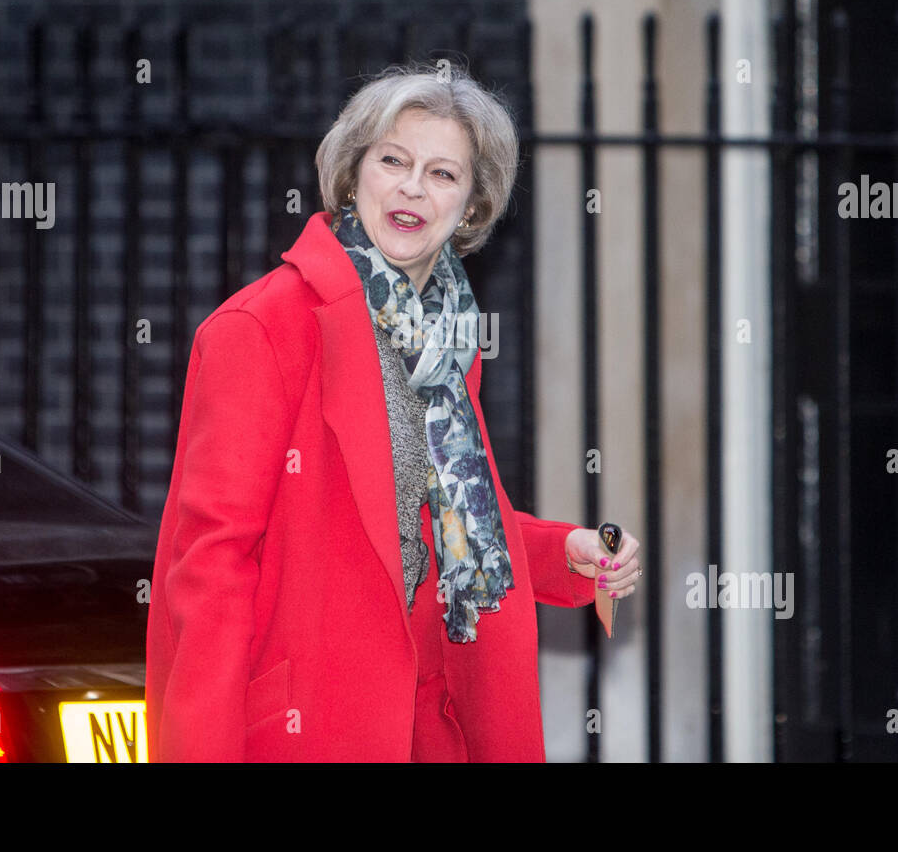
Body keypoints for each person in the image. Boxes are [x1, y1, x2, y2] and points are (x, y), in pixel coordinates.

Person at [145, 63, 642, 762]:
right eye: (393, 161)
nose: (413, 185)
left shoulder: (446, 339)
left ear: (471, 207)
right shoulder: (263, 327)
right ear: (353, 177)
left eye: (443, 174)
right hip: (307, 728)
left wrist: (564, 553)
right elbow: (211, 570)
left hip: (427, 725)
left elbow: (443, 523)